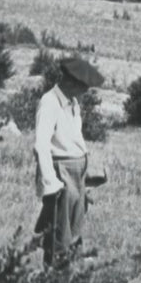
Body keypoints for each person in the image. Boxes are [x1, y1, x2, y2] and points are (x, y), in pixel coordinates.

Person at [32, 55, 105, 265]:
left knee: (74, 224)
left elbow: (75, 137)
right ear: (70, 82)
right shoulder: (49, 103)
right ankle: (54, 273)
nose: (84, 92)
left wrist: (86, 173)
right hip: (60, 172)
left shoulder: (73, 104)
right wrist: (51, 183)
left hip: (76, 172)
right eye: (83, 87)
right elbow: (42, 145)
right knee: (58, 228)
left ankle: (68, 268)